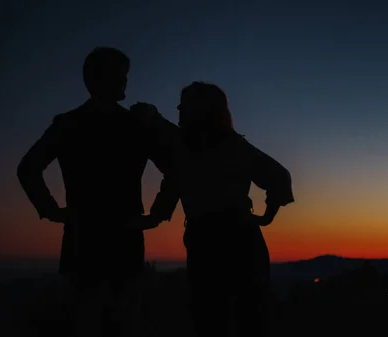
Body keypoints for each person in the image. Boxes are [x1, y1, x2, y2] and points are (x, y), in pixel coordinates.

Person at [17, 47, 175, 337]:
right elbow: (27, 169)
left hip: (91, 237)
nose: (125, 83)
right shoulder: (128, 125)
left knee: (101, 320)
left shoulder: (74, 124)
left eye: (125, 76)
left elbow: (27, 169)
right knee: (111, 319)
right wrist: (156, 215)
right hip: (107, 237)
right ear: (96, 79)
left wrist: (54, 212)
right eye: (120, 77)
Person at [132, 81, 295, 337]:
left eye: (183, 106)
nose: (179, 111)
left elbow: (171, 181)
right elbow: (279, 176)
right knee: (248, 318)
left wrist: (152, 218)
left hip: (209, 241)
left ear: (198, 110)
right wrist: (266, 216)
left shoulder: (184, 146)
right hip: (242, 238)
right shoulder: (233, 145)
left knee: (212, 318)